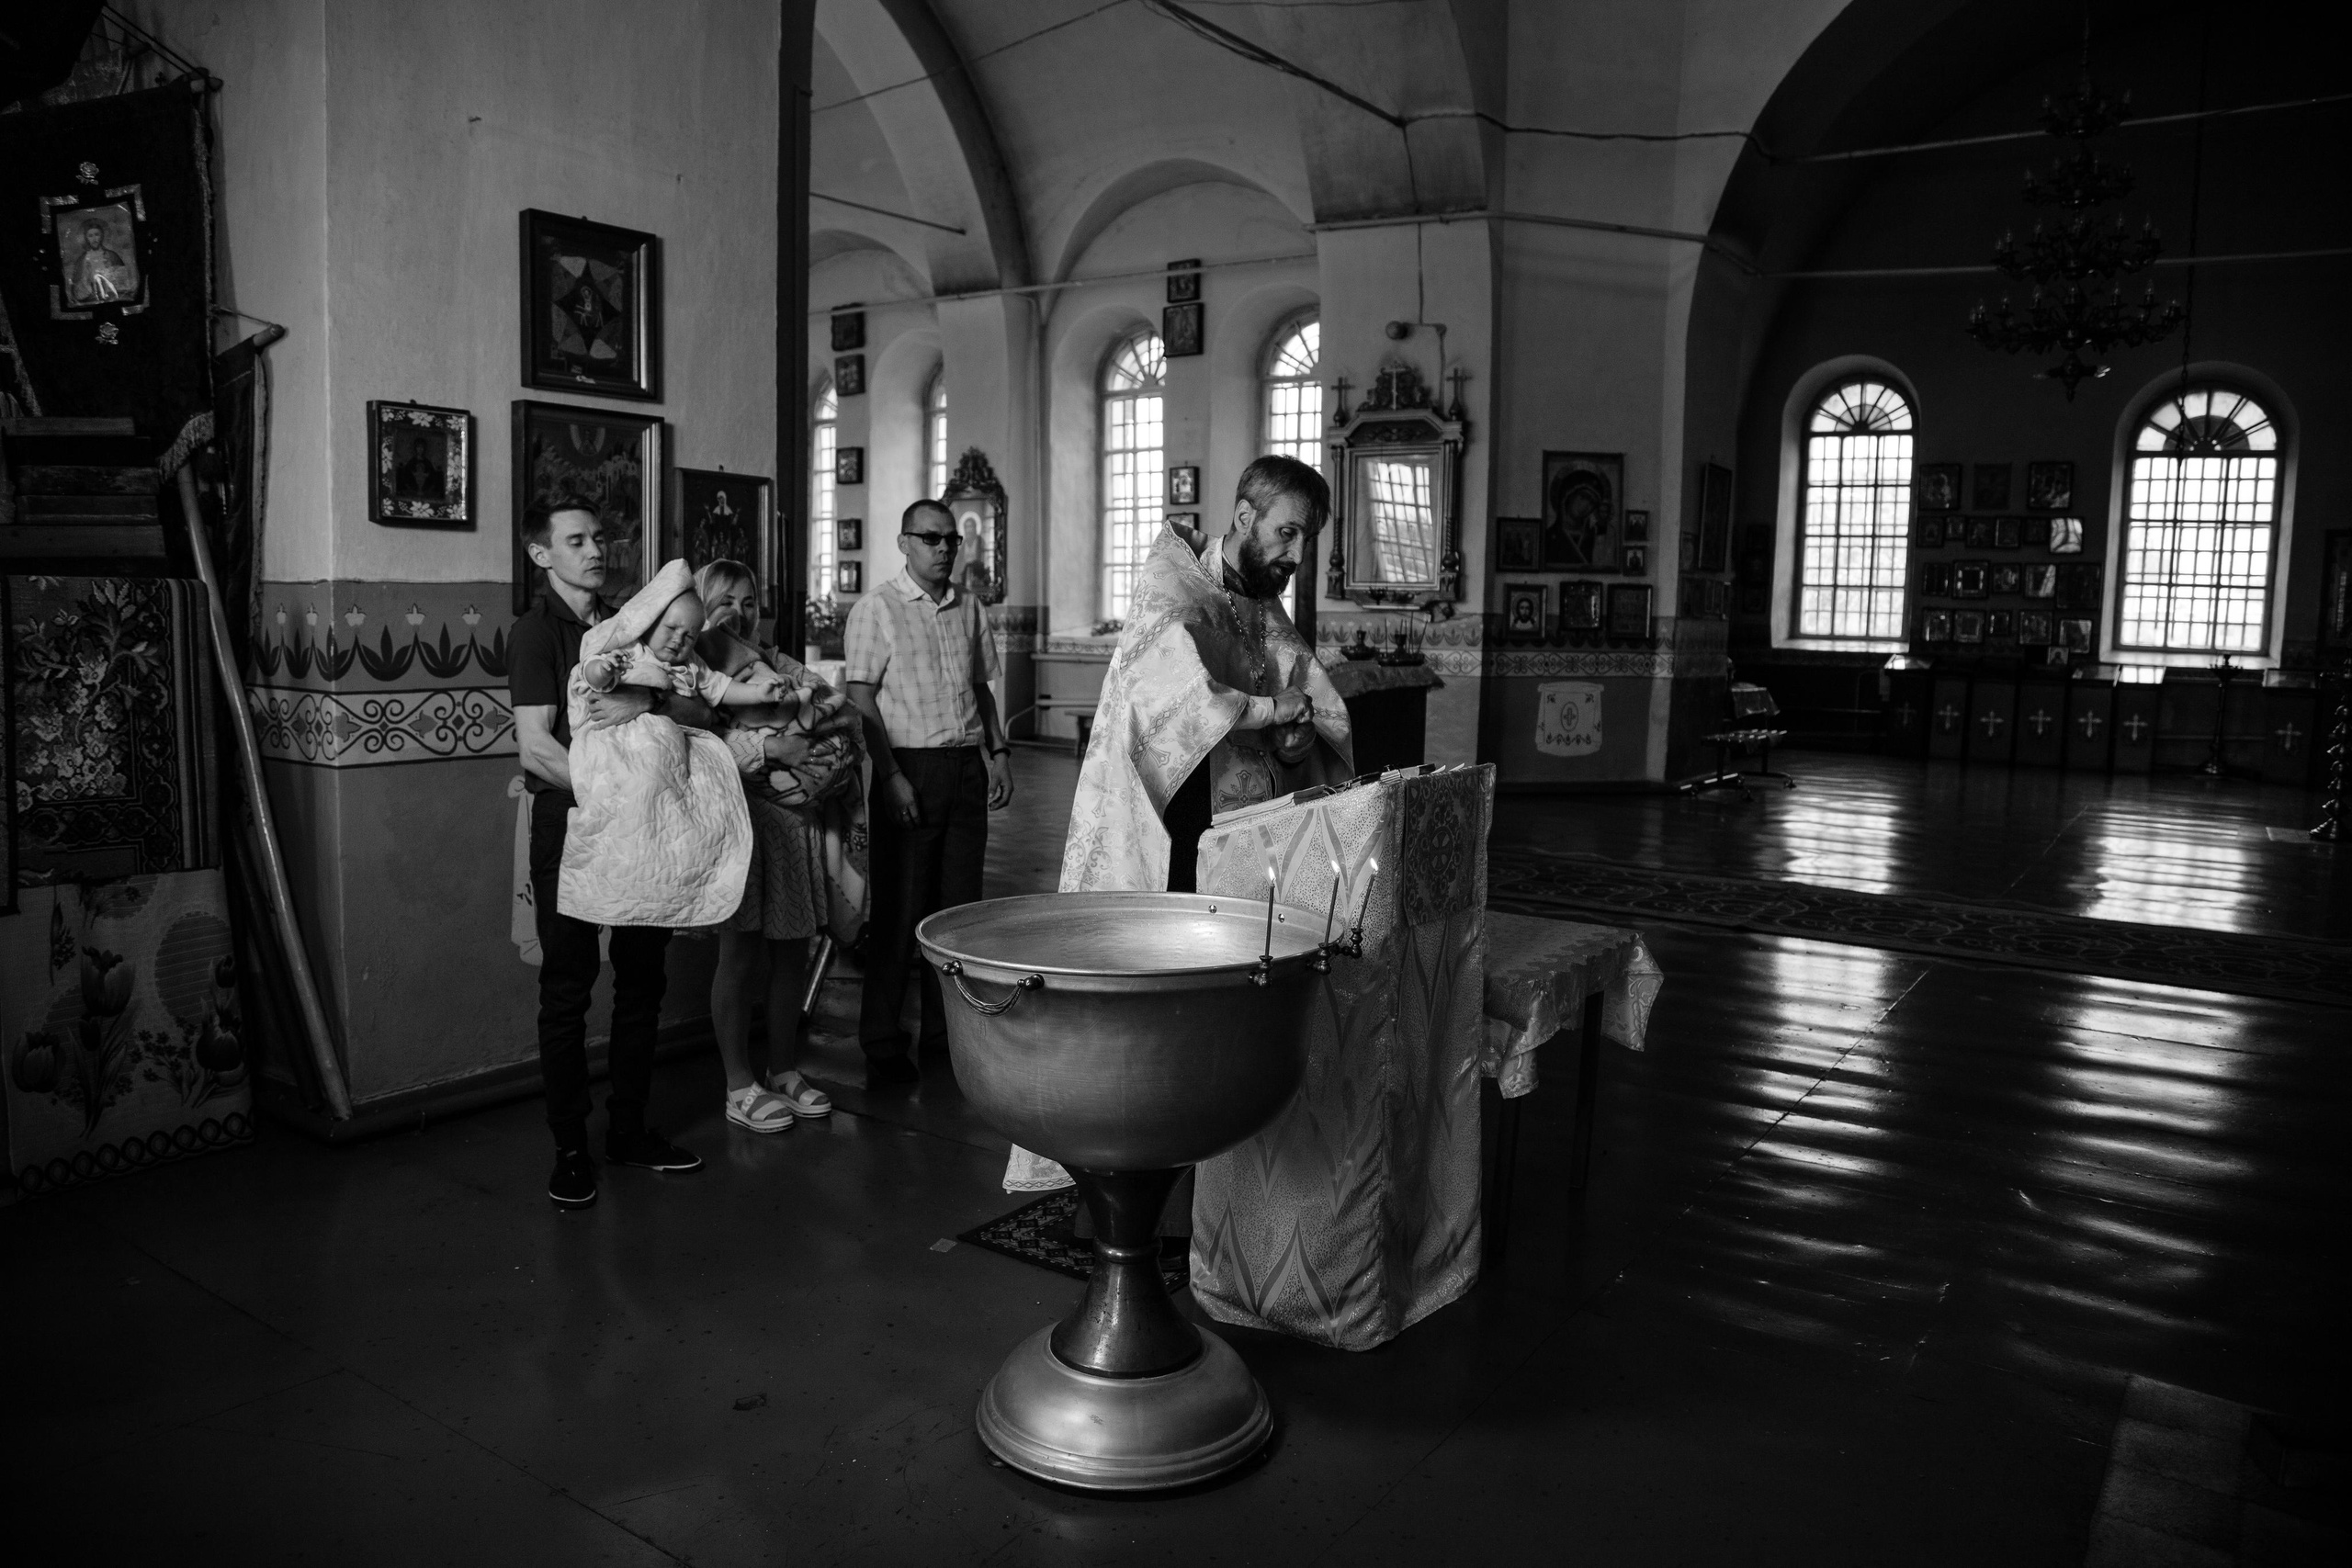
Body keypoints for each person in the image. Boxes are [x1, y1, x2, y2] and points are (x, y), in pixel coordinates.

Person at [1011, 455, 1352, 1198]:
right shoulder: (1176, 587)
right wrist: (1270, 713)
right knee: (1165, 995)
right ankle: (1139, 1185)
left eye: (1308, 540)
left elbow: (1304, 689)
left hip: (1240, 827)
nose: (1297, 556)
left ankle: (1221, 1180)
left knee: (1231, 996)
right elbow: (1177, 705)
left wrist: (1299, 732)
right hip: (1170, 820)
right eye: (1287, 532)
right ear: (1242, 517)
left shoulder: (1259, 601)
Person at [510, 498, 708, 1210]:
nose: (594, 549)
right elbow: (534, 743)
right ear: (543, 555)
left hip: (643, 830)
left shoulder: (633, 623)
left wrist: (647, 711)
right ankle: (570, 1147)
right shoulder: (535, 633)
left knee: (642, 979)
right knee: (567, 987)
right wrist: (612, 791)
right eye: (575, 540)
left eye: (599, 536)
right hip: (571, 825)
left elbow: (689, 709)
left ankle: (629, 1128)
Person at [842, 499, 1014, 1086]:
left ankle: (950, 1040)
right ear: (904, 542)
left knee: (957, 917)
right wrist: (889, 776)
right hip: (909, 769)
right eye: (931, 539)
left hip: (966, 768)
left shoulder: (969, 608)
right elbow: (861, 700)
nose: (943, 549)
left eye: (951, 541)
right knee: (899, 912)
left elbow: (981, 690)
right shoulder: (878, 609)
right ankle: (883, 1041)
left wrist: (997, 755)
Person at [693, 560, 867, 1134]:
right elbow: (699, 746)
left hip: (793, 826)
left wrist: (809, 733)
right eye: (724, 602)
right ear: (701, 607)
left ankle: (784, 1069)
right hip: (740, 826)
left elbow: (835, 708)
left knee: (793, 948)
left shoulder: (778, 662)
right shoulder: (693, 670)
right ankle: (738, 1083)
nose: (739, 614)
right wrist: (772, 751)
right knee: (739, 955)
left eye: (749, 602)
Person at [560, 558, 782, 930]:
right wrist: (606, 671)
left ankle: (673, 877)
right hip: (621, 747)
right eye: (671, 628)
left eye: (690, 635)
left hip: (669, 750)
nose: (679, 639)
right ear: (650, 623)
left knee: (687, 807)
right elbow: (589, 673)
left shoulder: (692, 667)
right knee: (638, 789)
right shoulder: (629, 654)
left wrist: (760, 691)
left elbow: (721, 690)